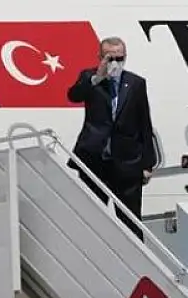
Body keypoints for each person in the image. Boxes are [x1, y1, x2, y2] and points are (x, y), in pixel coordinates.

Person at [66, 36, 156, 241]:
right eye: (110, 58)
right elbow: (73, 96)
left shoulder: (136, 83)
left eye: (119, 58)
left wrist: (147, 164)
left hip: (127, 163)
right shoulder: (90, 78)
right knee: (93, 218)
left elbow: (144, 123)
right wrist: (97, 78)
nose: (115, 63)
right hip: (95, 161)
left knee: (130, 221)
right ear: (100, 57)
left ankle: (135, 258)